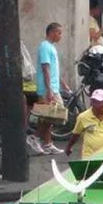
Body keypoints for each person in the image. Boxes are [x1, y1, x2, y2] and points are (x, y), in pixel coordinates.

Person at [29, 22, 69, 155]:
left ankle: (48, 144)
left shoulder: (51, 47)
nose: (60, 36)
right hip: (48, 89)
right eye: (59, 33)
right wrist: (49, 90)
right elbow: (45, 69)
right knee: (55, 115)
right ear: (51, 33)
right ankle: (34, 137)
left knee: (48, 117)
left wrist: (63, 84)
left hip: (53, 87)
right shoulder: (45, 47)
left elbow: (54, 70)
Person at [65, 89, 103, 158]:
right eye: (93, 102)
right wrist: (69, 147)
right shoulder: (83, 117)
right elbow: (76, 134)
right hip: (89, 155)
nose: (95, 105)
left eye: (98, 102)